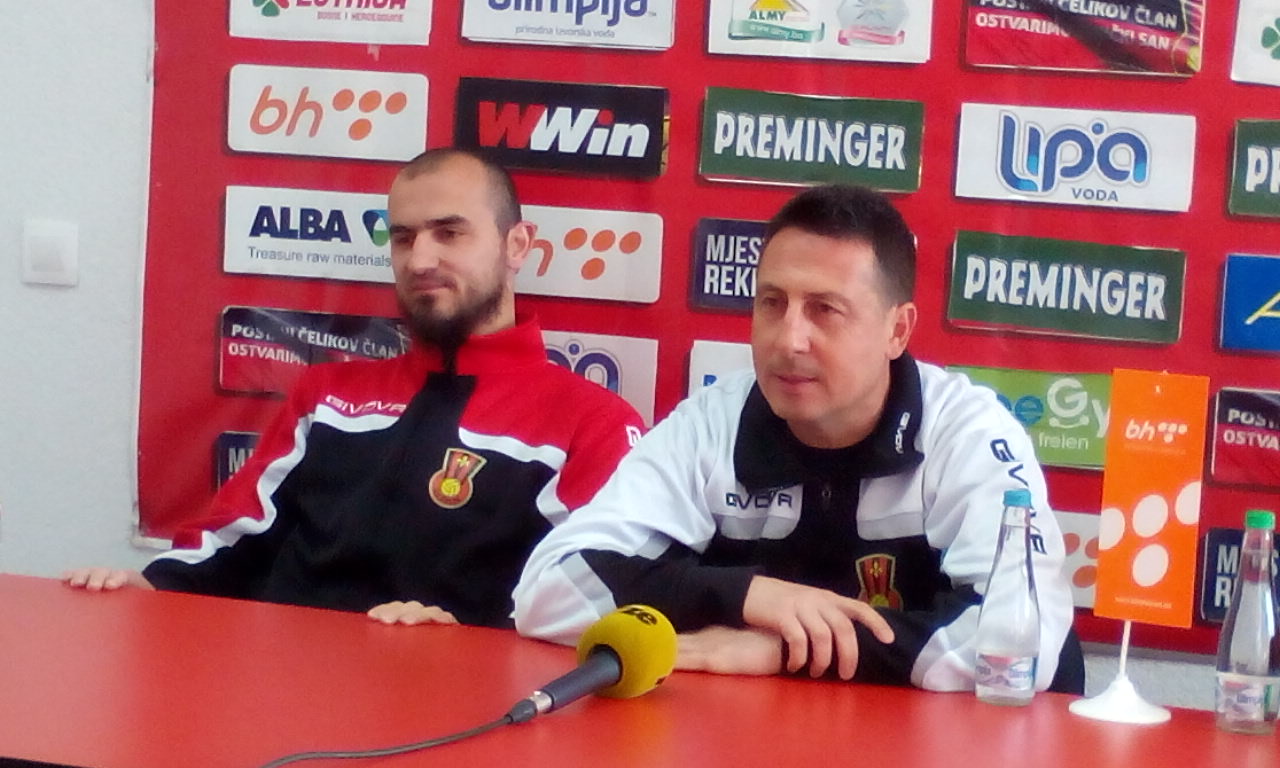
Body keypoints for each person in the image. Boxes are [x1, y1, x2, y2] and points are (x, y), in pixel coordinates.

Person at [513, 184, 1083, 692]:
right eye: (772, 303)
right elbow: (546, 591)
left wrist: (785, 650)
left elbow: (1022, 642)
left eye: (824, 310)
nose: (789, 340)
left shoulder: (968, 434)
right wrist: (748, 597)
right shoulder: (711, 423)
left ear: (897, 329)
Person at [64, 148, 644, 628]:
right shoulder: (325, 394)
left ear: (517, 245)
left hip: (462, 706)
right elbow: (233, 540)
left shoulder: (591, 421)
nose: (420, 259)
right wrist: (149, 587)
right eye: (403, 238)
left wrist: (469, 643)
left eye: (449, 233)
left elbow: (596, 596)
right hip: (281, 690)